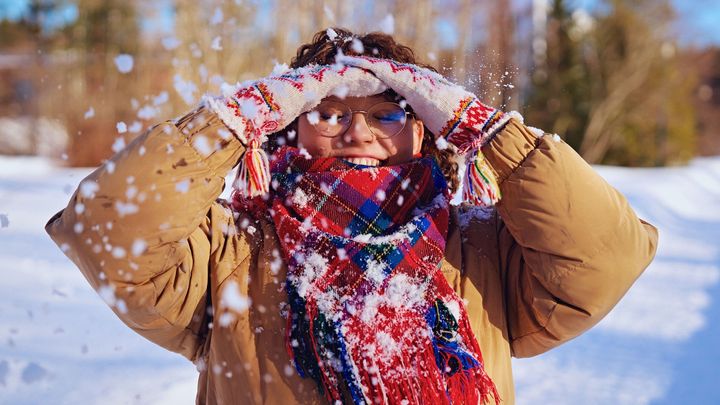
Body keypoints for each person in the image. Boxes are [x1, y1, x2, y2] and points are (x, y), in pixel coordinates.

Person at [46, 28, 658, 404]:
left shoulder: (481, 248)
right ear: (287, 122)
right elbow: (107, 235)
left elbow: (604, 259)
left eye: (389, 112)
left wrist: (491, 134)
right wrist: (227, 124)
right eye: (329, 111)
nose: (359, 130)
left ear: (428, 130)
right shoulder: (228, 247)